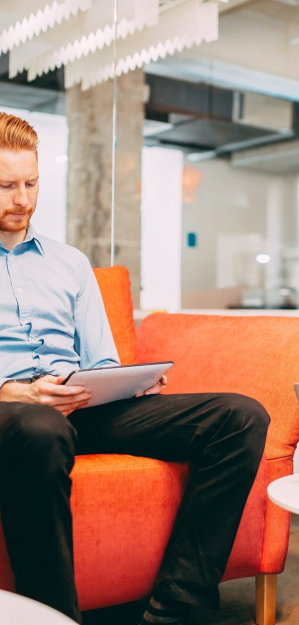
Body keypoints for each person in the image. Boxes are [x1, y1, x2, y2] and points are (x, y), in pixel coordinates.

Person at [0, 111, 270, 625]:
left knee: (240, 417)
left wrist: (125, 383)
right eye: (7, 186)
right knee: (40, 426)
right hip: (14, 416)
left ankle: (177, 607)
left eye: (32, 183)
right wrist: (15, 392)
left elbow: (100, 358)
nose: (24, 200)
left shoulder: (70, 264)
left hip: (80, 405)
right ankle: (52, 617)